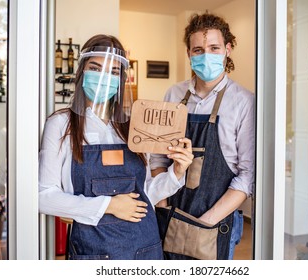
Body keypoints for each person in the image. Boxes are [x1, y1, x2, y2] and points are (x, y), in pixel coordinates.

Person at [38, 34, 193, 260]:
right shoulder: (61, 125)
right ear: (82, 71)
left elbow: (146, 193)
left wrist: (177, 172)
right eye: (96, 67)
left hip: (145, 247)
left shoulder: (134, 126)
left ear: (121, 80)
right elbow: (44, 197)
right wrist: (109, 205)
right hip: (93, 252)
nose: (103, 77)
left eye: (113, 72)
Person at [150, 12, 255, 260]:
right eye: (198, 49)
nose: (206, 55)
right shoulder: (173, 94)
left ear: (227, 50)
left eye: (214, 47)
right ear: (188, 53)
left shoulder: (244, 102)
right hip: (170, 214)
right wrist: (162, 208)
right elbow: (158, 158)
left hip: (214, 223)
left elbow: (248, 176)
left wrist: (204, 223)